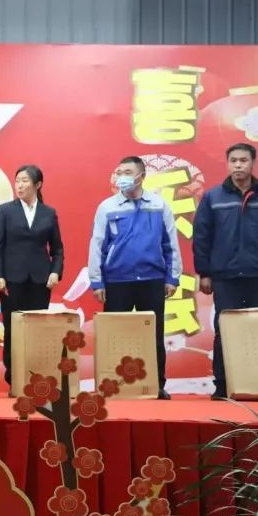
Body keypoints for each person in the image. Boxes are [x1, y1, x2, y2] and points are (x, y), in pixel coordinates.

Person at [193, 142, 258, 399]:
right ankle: (222, 385)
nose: (238, 165)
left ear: (253, 163)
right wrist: (204, 273)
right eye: (233, 161)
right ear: (227, 164)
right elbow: (202, 238)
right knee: (225, 331)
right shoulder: (213, 198)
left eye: (243, 160)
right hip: (225, 276)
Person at [88, 155, 182, 399]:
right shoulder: (107, 207)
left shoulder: (159, 205)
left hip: (152, 280)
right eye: (119, 173)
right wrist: (97, 281)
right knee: (114, 336)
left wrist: (172, 278)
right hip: (117, 281)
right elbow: (97, 245)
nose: (122, 177)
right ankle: (112, 384)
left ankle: (156, 385)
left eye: (128, 173)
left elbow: (170, 244)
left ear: (142, 176)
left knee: (153, 336)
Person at [0, 165, 64, 386]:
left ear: (37, 184)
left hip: (41, 280)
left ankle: (35, 375)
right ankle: (14, 377)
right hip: (11, 279)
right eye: (17, 181)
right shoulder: (5, 210)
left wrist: (55, 272)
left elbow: (57, 249)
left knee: (37, 330)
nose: (19, 185)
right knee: (13, 328)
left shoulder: (48, 212)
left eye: (24, 181)